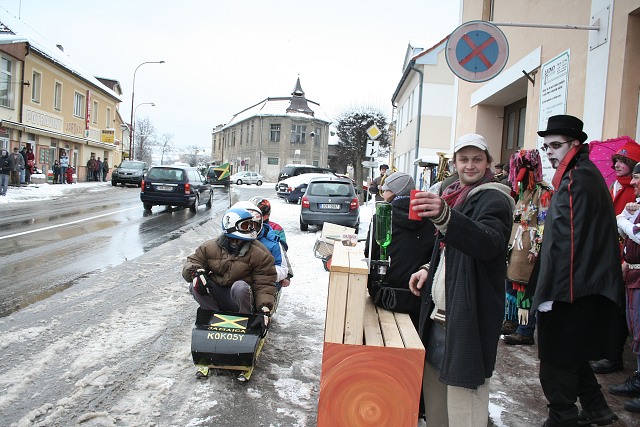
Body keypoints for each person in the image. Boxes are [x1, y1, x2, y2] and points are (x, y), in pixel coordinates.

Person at [408, 133, 514, 426]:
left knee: (465, 412)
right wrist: (428, 270)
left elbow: (487, 243)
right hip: (438, 323)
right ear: (454, 163)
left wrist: (445, 216)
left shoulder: (495, 198)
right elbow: (451, 249)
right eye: (464, 159)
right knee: (438, 413)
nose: (470, 165)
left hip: (467, 323)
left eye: (477, 159)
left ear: (488, 163)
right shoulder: (453, 193)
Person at [531, 114, 625, 427]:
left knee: (556, 358)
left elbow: (567, 243)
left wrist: (551, 295)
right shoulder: (583, 174)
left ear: (575, 144)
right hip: (584, 284)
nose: (550, 152)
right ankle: (597, 407)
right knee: (573, 352)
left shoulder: (574, 180)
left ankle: (563, 417)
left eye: (556, 145)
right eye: (546, 147)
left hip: (570, 288)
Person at [181, 205, 277, 378]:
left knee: (240, 286)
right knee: (195, 284)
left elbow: (265, 283)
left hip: (241, 298)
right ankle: (213, 318)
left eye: (252, 226)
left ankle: (245, 325)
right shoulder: (209, 247)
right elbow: (191, 262)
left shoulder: (260, 253)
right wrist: (196, 272)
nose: (252, 230)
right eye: (246, 226)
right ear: (232, 226)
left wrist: (264, 309)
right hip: (219, 296)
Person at [592, 139, 640, 374]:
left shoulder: (634, 191)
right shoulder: (615, 186)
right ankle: (604, 351)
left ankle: (613, 356)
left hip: (626, 256)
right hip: (609, 249)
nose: (618, 165)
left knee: (619, 310)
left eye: (624, 160)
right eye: (616, 160)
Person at [365, 171, 436, 328]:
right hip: (418, 298)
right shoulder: (431, 219)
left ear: (394, 192)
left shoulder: (381, 217)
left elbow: (369, 256)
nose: (383, 194)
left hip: (384, 297)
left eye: (386, 190)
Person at [501, 149, 553, 346]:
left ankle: (525, 330)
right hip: (515, 247)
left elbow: (544, 223)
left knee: (525, 288)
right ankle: (512, 322)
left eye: (524, 168)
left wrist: (536, 248)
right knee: (511, 287)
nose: (519, 173)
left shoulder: (544, 192)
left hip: (529, 250)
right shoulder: (519, 192)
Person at [608, 162, 640, 414]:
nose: (635, 183)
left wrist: (626, 221)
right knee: (635, 327)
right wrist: (627, 216)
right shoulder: (635, 204)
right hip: (632, 273)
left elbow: (637, 233)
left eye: (638, 179)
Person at [249, 196, 293, 288]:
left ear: (266, 215)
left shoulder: (276, 229)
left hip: (270, 269)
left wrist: (288, 274)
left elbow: (282, 251)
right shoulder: (246, 226)